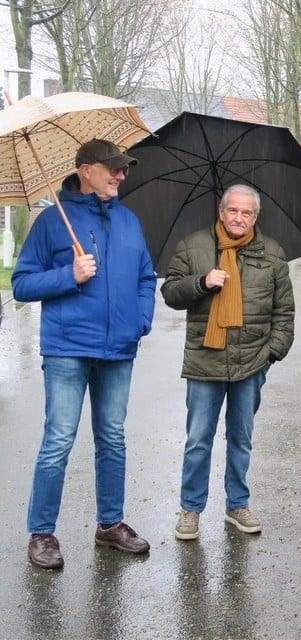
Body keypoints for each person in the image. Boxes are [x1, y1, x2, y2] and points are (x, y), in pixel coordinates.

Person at [13, 139, 156, 569]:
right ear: (85, 170)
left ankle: (110, 525)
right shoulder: (51, 222)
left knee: (112, 437)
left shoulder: (129, 220)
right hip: (68, 349)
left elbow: (146, 277)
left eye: (123, 169)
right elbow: (21, 284)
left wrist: (140, 321)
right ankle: (41, 532)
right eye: (113, 169)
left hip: (118, 350)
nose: (120, 176)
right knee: (58, 440)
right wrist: (68, 275)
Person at [161, 184, 294, 541]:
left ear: (256, 217)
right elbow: (170, 293)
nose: (239, 218)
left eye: (246, 213)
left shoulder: (273, 254)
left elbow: (284, 312)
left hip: (251, 362)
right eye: (233, 211)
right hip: (206, 361)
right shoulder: (194, 246)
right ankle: (191, 508)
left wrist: (271, 353)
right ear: (221, 212)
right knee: (198, 440)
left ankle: (238, 504)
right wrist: (202, 282)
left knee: (241, 439)